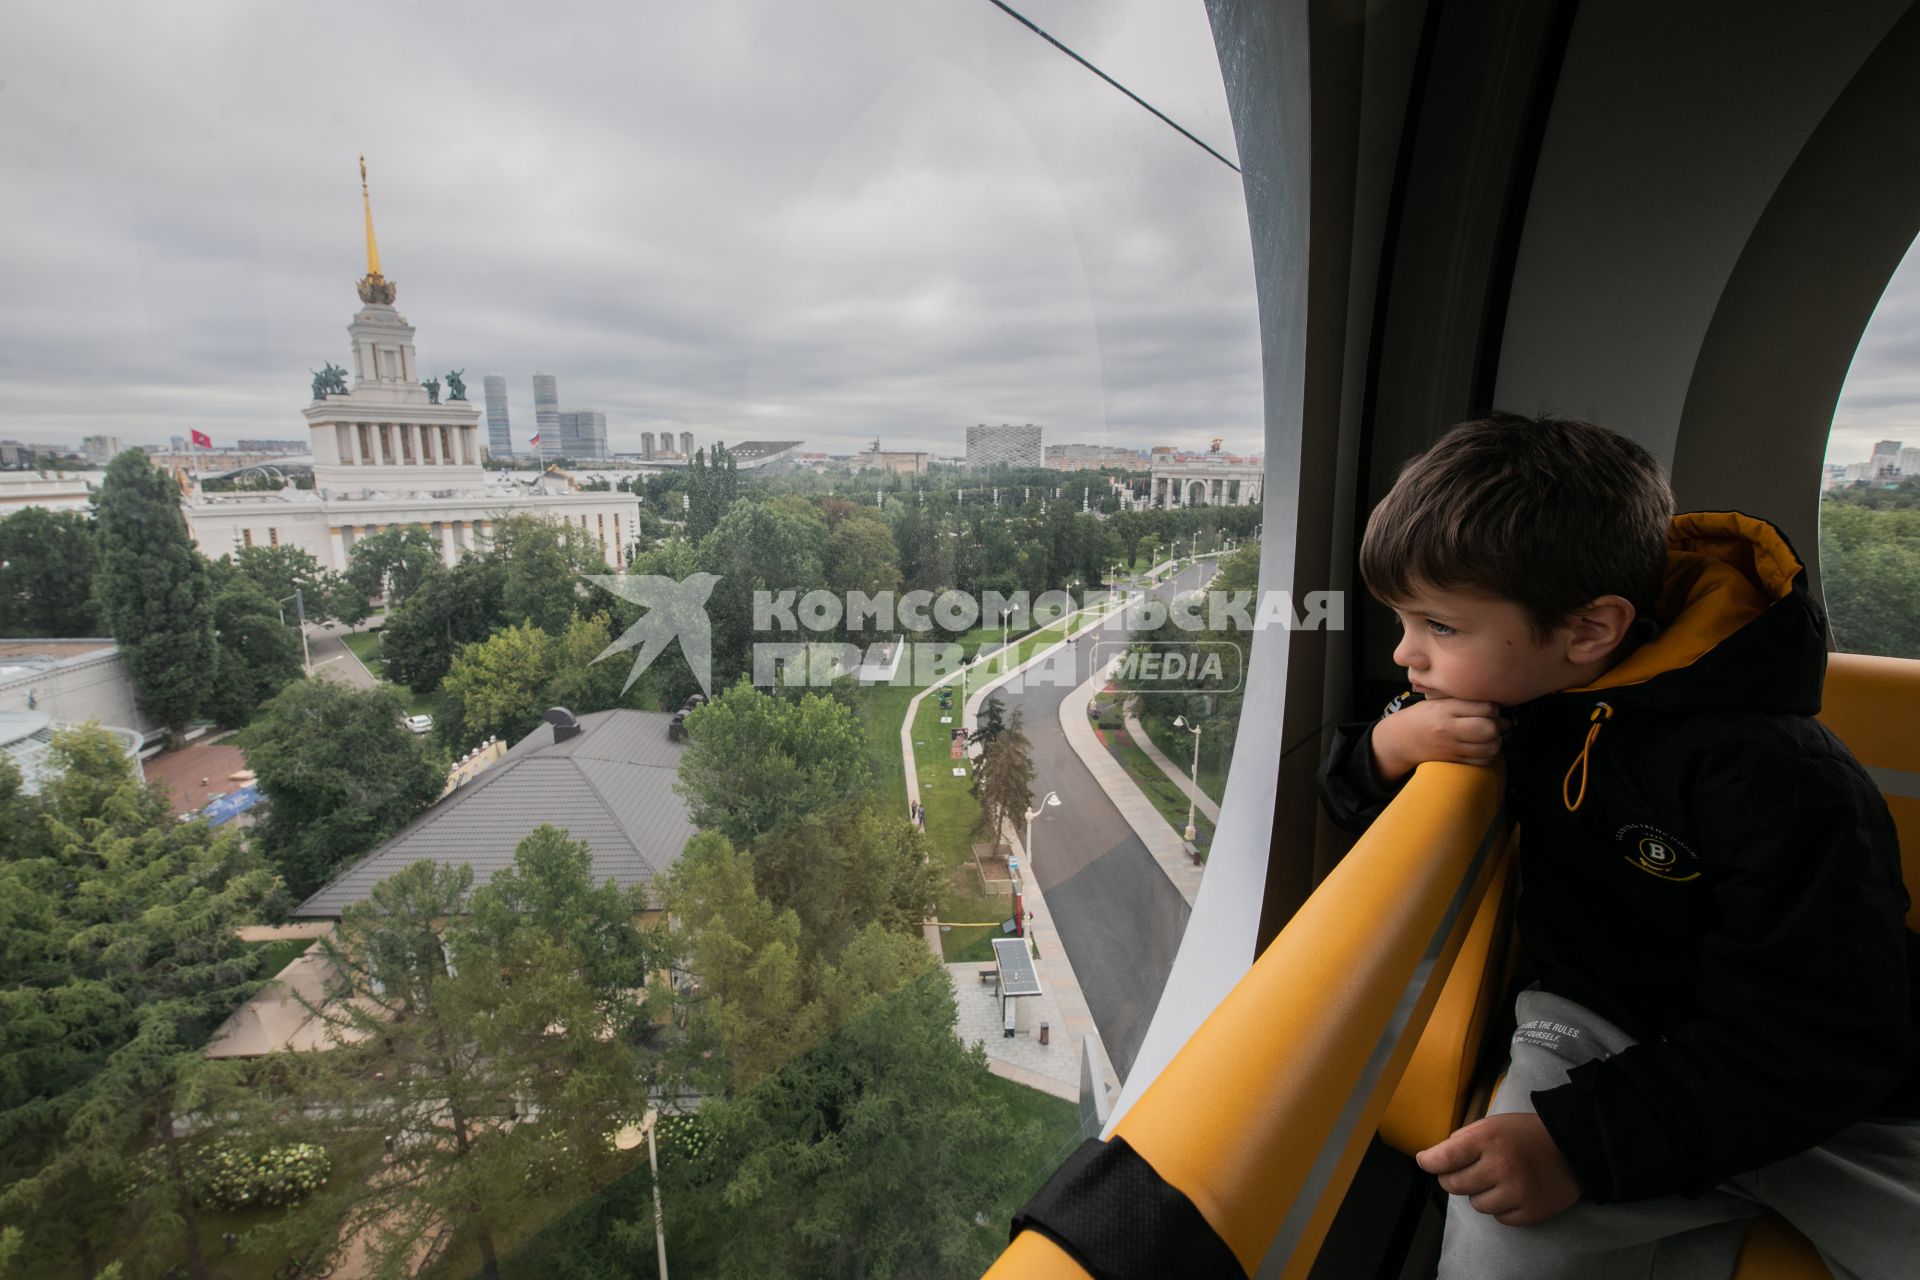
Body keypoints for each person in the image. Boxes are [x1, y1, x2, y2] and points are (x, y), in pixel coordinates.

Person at [1318, 414, 1918, 1278]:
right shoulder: (1530, 692)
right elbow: (1346, 777)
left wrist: (1582, 1147)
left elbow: (1833, 1029)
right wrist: (1387, 750)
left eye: (1438, 627)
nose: (1405, 653)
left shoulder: (1784, 782)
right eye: (1403, 620)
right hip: (1592, 1033)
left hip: (1832, 1102)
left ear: (1591, 631)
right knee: (1492, 1248)